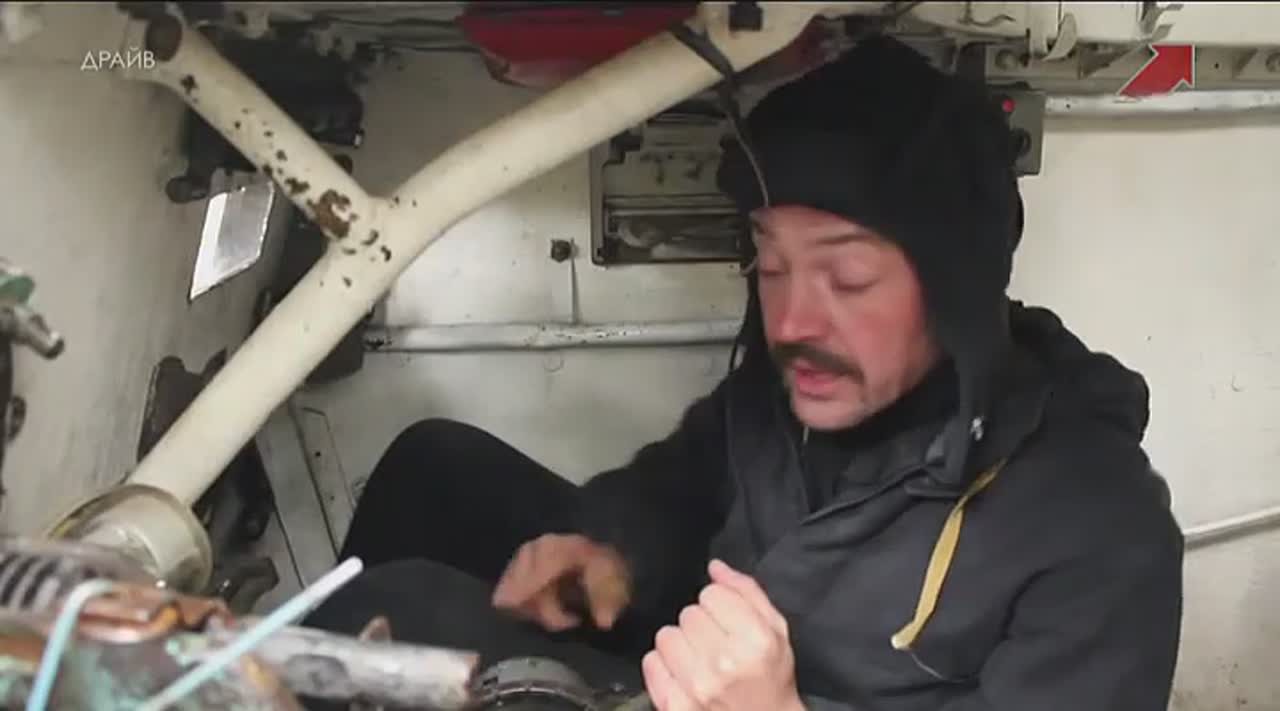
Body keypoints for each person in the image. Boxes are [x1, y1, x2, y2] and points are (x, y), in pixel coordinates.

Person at [305, 35, 1184, 710]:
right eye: (770, 265)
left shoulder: (1098, 534)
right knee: (436, 468)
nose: (793, 322)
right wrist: (614, 552)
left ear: (957, 281)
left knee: (402, 613)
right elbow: (680, 484)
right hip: (702, 649)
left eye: (848, 276)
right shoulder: (792, 393)